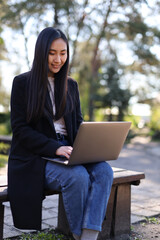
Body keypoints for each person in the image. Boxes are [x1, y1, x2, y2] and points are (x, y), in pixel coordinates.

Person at [8, 27, 113, 240]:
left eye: (63, 53)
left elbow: (78, 123)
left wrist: (90, 145)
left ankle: (89, 236)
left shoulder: (70, 85)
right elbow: (20, 129)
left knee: (104, 171)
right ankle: (77, 235)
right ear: (41, 52)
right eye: (52, 53)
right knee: (78, 176)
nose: (58, 59)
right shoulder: (22, 83)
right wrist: (55, 147)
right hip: (36, 156)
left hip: (70, 149)